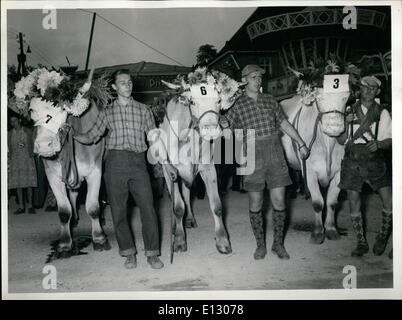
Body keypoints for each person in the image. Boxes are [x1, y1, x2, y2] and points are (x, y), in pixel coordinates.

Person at [74, 69, 164, 269]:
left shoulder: (144, 110)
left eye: (129, 81)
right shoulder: (106, 112)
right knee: (119, 211)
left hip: (139, 163)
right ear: (114, 87)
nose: (128, 85)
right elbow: (91, 136)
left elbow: (154, 139)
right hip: (114, 164)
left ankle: (152, 253)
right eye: (123, 82)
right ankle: (129, 253)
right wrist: (72, 134)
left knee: (149, 209)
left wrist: (165, 164)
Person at [222, 65, 309, 260]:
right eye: (253, 77)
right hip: (251, 153)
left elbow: (284, 124)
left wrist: (301, 143)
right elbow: (226, 126)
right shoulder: (236, 104)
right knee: (256, 201)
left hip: (275, 151)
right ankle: (260, 245)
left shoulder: (270, 100)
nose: (258, 80)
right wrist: (221, 123)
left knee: (279, 200)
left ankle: (278, 244)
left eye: (259, 77)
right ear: (244, 80)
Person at [337, 75, 392, 257]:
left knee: (388, 201)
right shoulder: (348, 110)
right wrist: (345, 123)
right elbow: (342, 140)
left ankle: (383, 236)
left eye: (372, 88)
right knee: (353, 200)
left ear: (377, 91)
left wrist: (380, 144)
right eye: (365, 87)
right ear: (359, 89)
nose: (368, 91)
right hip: (352, 159)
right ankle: (361, 242)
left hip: (374, 158)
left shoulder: (382, 112)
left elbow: (390, 139)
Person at [8, 112, 38, 214]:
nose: (13, 123)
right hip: (15, 161)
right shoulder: (10, 133)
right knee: (18, 185)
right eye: (11, 121)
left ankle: (30, 206)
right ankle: (21, 206)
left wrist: (29, 148)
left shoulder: (27, 131)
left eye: (15, 121)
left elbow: (34, 143)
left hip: (27, 159)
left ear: (19, 120)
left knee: (29, 183)